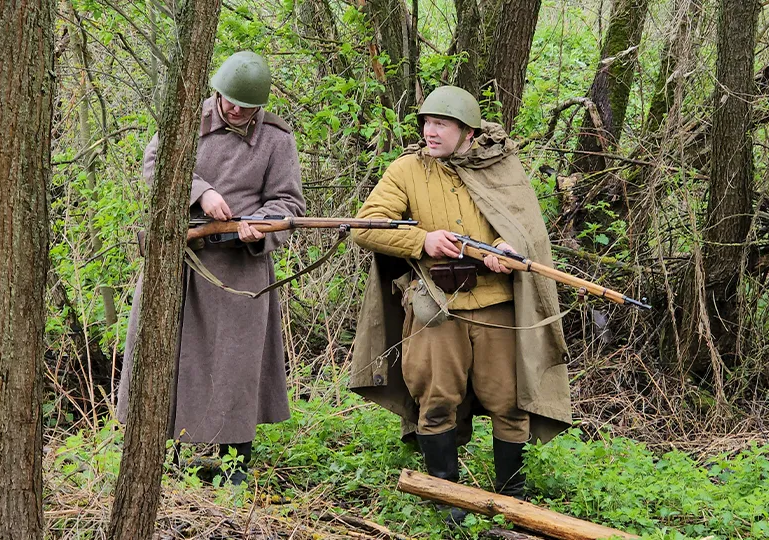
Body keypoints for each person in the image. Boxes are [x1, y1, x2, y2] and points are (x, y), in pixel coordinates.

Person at [349, 86, 572, 521]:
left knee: (510, 401)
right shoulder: (407, 170)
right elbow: (366, 227)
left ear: (467, 132)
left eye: (442, 125)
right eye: (427, 123)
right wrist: (422, 240)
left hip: (498, 306)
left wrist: (503, 247)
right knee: (436, 400)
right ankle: (447, 499)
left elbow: (526, 228)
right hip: (436, 305)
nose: (431, 132)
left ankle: (513, 499)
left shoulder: (500, 166)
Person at [117, 50, 305, 485]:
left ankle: (233, 470)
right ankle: (160, 464)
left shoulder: (278, 140)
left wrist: (261, 225)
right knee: (161, 358)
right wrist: (200, 193)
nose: (234, 108)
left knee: (236, 369)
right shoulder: (190, 119)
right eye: (228, 99)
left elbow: (289, 203)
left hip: (240, 273)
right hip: (178, 262)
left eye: (244, 104)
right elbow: (153, 165)